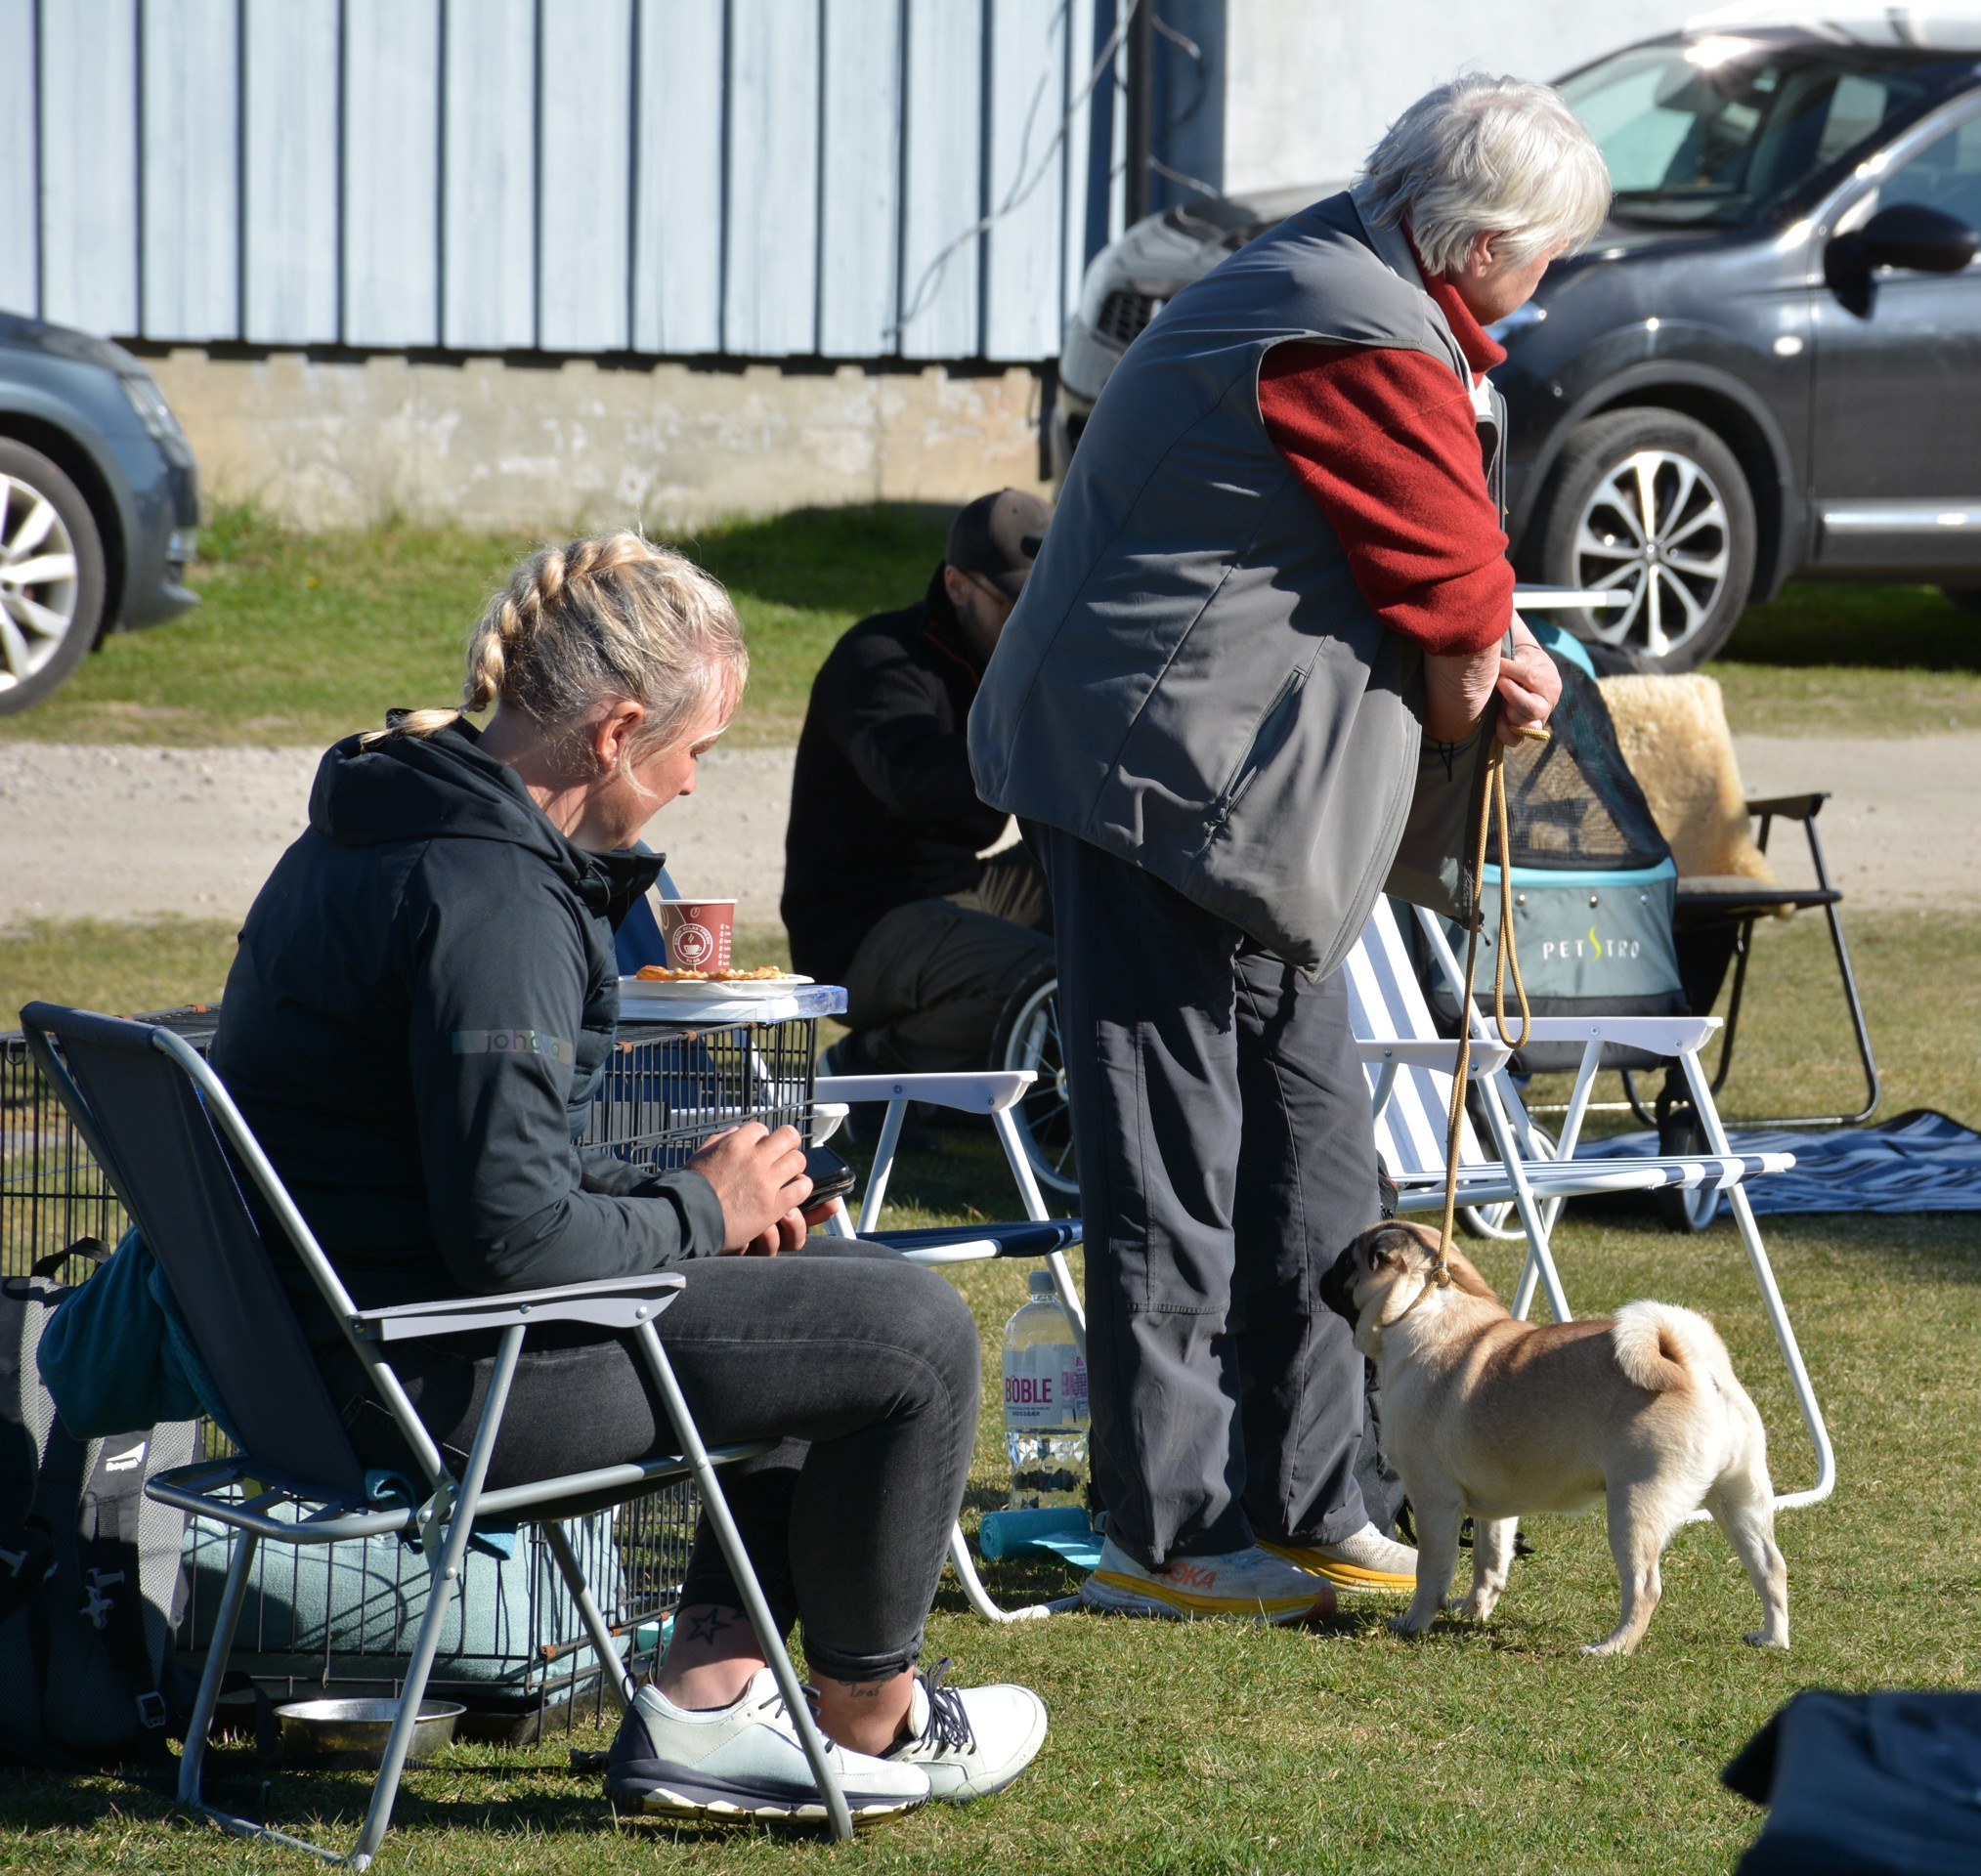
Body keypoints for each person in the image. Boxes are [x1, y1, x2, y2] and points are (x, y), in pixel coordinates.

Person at [209, 534, 1046, 1823]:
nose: (692, 783)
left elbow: (469, 1153)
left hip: (320, 1363)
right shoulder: (493, 901)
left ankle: (710, 1697)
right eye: (693, 750)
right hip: (439, 1384)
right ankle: (873, 1717)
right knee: (911, 1333)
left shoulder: (387, 825)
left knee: (802, 1279)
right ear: (611, 735)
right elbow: (510, 1238)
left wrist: (706, 1193)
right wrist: (701, 1206)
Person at [969, 77, 1603, 1622]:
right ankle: (1167, 1531)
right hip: (1154, 790)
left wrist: (1485, 649)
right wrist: (1484, 679)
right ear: (1483, 245)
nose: (1553, 281)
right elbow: (1453, 608)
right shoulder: (1351, 329)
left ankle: (1318, 1498)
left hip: (1246, 810)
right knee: (1172, 1164)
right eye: (1550, 254)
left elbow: (1444, 587)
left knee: (1316, 1155)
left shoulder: (1353, 291)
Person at [782, 490, 1055, 1084]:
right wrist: (1040, 736)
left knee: (1112, 886)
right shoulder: (878, 659)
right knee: (1043, 979)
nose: (1031, 621)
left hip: (959, 887)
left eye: (1047, 600)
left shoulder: (1010, 661)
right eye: (1014, 602)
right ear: (956, 585)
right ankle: (868, 1066)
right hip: (862, 924)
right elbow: (916, 782)